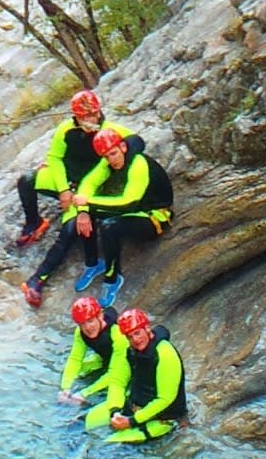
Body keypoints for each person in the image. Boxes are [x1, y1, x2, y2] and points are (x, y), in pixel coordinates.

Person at [66, 128, 175, 308]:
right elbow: (89, 182)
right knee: (87, 215)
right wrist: (84, 210)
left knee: (110, 226)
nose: (111, 160)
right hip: (136, 209)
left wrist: (88, 201)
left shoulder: (138, 163)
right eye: (107, 157)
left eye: (113, 154)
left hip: (154, 216)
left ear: (123, 147)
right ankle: (93, 263)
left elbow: (128, 202)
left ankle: (112, 278)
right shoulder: (107, 161)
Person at [13, 88, 132, 249]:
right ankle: (35, 222)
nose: (91, 119)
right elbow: (55, 158)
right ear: (76, 116)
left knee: (73, 230)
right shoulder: (66, 129)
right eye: (85, 116)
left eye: (94, 114)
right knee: (27, 180)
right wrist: (63, 189)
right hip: (69, 178)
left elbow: (135, 142)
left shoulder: (110, 130)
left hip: (93, 185)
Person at [82, 307, 187, 443]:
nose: (135, 340)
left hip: (162, 417)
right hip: (134, 407)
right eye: (130, 336)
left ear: (147, 329)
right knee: (86, 423)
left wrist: (131, 421)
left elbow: (165, 399)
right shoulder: (130, 351)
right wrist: (115, 412)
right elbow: (117, 382)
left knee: (109, 444)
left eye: (137, 333)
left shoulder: (165, 353)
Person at [58, 295, 118, 405]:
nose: (87, 328)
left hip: (128, 366)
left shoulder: (116, 332)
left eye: (90, 321)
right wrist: (65, 388)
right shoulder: (80, 332)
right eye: (82, 324)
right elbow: (75, 359)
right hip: (105, 360)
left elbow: (118, 371)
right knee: (68, 375)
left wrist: (85, 393)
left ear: (100, 316)